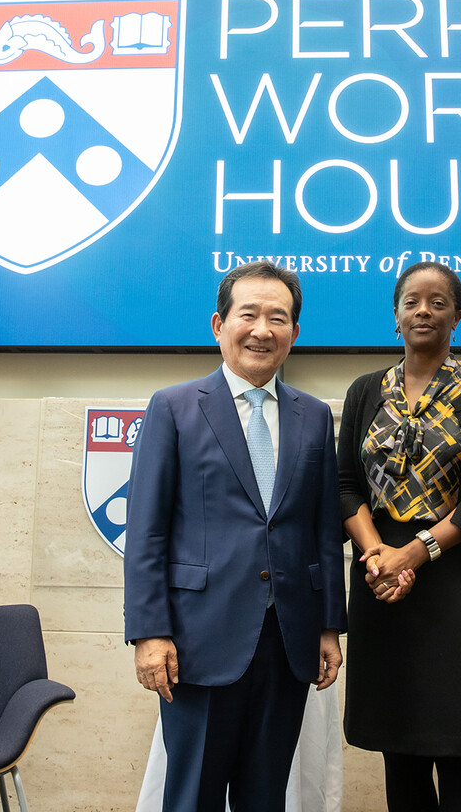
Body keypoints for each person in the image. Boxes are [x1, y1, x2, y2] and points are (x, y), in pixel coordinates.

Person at [124, 261, 347, 812]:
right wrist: (149, 632)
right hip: (197, 641)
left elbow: (322, 532)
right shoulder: (173, 408)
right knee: (192, 795)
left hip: (288, 640)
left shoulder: (314, 416)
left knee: (266, 795)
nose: (262, 330)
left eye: (279, 318)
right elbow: (146, 532)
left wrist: (328, 626)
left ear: (295, 333)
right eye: (248, 314)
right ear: (219, 324)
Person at [338, 261, 461, 812]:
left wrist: (414, 554)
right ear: (396, 316)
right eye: (412, 301)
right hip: (382, 587)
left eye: (438, 302)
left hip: (460, 583)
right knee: (402, 749)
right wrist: (378, 555)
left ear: (457, 316)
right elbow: (346, 484)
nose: (424, 310)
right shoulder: (365, 390)